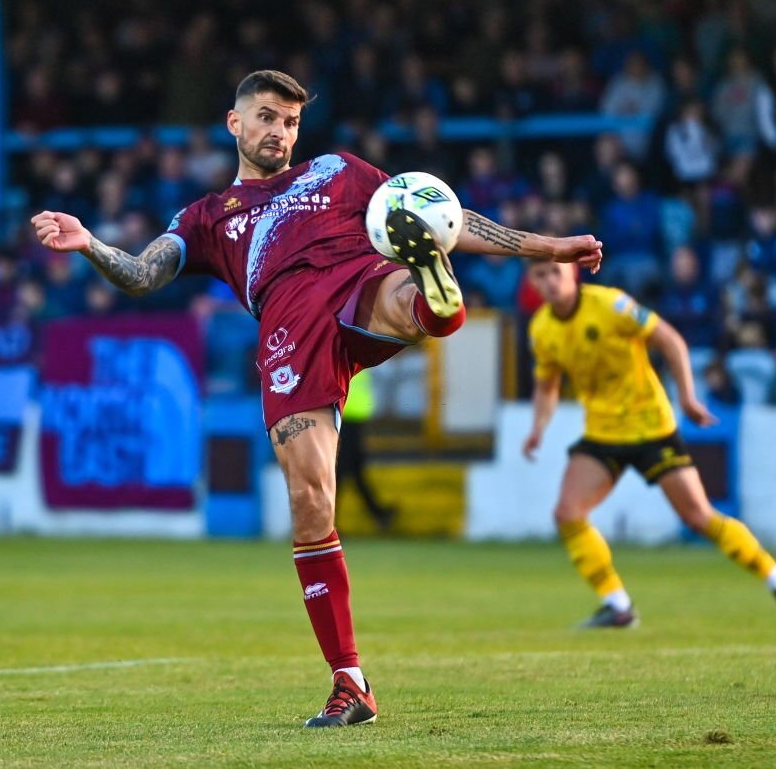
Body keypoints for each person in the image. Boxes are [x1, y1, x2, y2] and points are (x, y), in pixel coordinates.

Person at [31, 70, 603, 728]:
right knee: (310, 501)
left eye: (291, 122)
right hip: (290, 336)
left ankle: (431, 297)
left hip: (358, 280)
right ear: (234, 123)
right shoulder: (209, 217)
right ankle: (350, 682)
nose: (280, 131)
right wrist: (92, 244)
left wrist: (546, 246)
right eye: (269, 118)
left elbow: (441, 213)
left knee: (401, 270)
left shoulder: (337, 171)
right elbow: (141, 273)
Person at [521, 259, 776, 629]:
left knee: (698, 517)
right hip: (604, 432)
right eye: (540, 275)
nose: (549, 281)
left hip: (651, 426)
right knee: (567, 513)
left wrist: (687, 397)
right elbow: (547, 386)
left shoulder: (611, 305)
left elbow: (669, 339)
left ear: (573, 273)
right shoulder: (542, 329)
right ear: (531, 281)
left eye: (555, 272)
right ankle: (618, 606)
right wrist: (537, 428)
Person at [336, 368, 397, 531]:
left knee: (353, 470)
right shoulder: (349, 356)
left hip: (353, 420)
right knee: (342, 471)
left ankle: (379, 513)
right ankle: (328, 524)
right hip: (344, 419)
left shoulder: (355, 356)